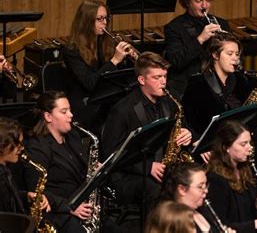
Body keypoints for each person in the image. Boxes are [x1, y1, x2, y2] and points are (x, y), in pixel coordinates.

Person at [101, 51, 193, 211]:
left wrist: (187, 133)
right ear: (141, 80)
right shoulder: (122, 110)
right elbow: (111, 154)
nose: (163, 82)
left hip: (163, 168)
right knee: (156, 191)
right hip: (129, 175)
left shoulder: (170, 102)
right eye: (157, 78)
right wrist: (148, 167)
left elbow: (184, 127)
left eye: (164, 76)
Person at [23, 91, 92, 232]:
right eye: (64, 111)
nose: (71, 115)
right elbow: (37, 193)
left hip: (79, 202)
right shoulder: (37, 147)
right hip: (59, 212)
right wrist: (70, 207)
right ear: (48, 116)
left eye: (70, 110)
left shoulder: (72, 135)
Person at [62, 0, 135, 133]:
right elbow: (90, 83)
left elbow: (118, 79)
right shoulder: (71, 50)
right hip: (86, 105)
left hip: (105, 100)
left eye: (106, 18)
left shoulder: (105, 43)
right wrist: (114, 60)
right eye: (100, 19)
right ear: (86, 21)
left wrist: (127, 60)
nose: (105, 23)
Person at [206, 120, 257, 232]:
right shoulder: (215, 179)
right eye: (243, 144)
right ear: (226, 147)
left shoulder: (247, 170)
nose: (249, 148)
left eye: (249, 143)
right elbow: (219, 226)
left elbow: (245, 216)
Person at [164, 0, 231, 99]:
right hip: (188, 89)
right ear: (188, 2)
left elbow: (235, 57)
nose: (205, 6)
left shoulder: (221, 23)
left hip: (217, 87)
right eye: (199, 1)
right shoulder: (174, 27)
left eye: (208, 0)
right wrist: (200, 39)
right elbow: (177, 61)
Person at [182, 32, 257, 135]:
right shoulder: (197, 84)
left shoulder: (240, 79)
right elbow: (187, 122)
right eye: (230, 54)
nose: (235, 58)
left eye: (237, 54)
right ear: (215, 55)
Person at [160, 162, 236, 233]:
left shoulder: (203, 210)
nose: (206, 190)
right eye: (200, 187)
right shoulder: (172, 220)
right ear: (182, 189)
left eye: (206, 185)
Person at [0, 117, 49, 214]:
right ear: (3, 145)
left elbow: (9, 198)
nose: (22, 147)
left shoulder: (5, 168)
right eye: (18, 143)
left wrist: (27, 196)